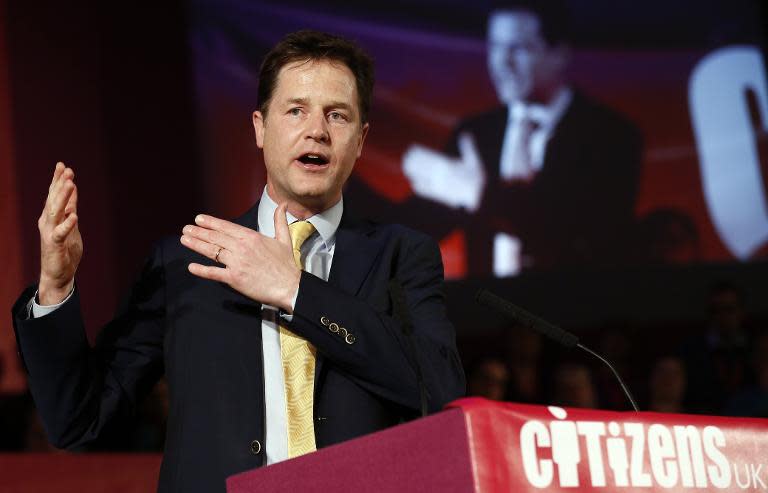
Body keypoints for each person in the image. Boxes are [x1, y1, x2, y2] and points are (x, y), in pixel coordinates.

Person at [12, 31, 465, 492]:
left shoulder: (401, 255)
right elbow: (79, 421)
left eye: (338, 115)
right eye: (296, 110)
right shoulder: (185, 262)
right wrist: (55, 286)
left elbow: (440, 390)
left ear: (361, 139)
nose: (317, 130)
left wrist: (296, 291)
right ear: (259, 127)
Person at [399, 1, 642, 275]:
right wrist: (344, 190)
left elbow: (585, 236)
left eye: (518, 48)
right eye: (495, 47)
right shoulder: (477, 133)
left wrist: (478, 194)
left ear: (559, 54)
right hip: (486, 312)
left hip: (573, 312)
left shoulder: (611, 136)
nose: (501, 63)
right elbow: (414, 231)